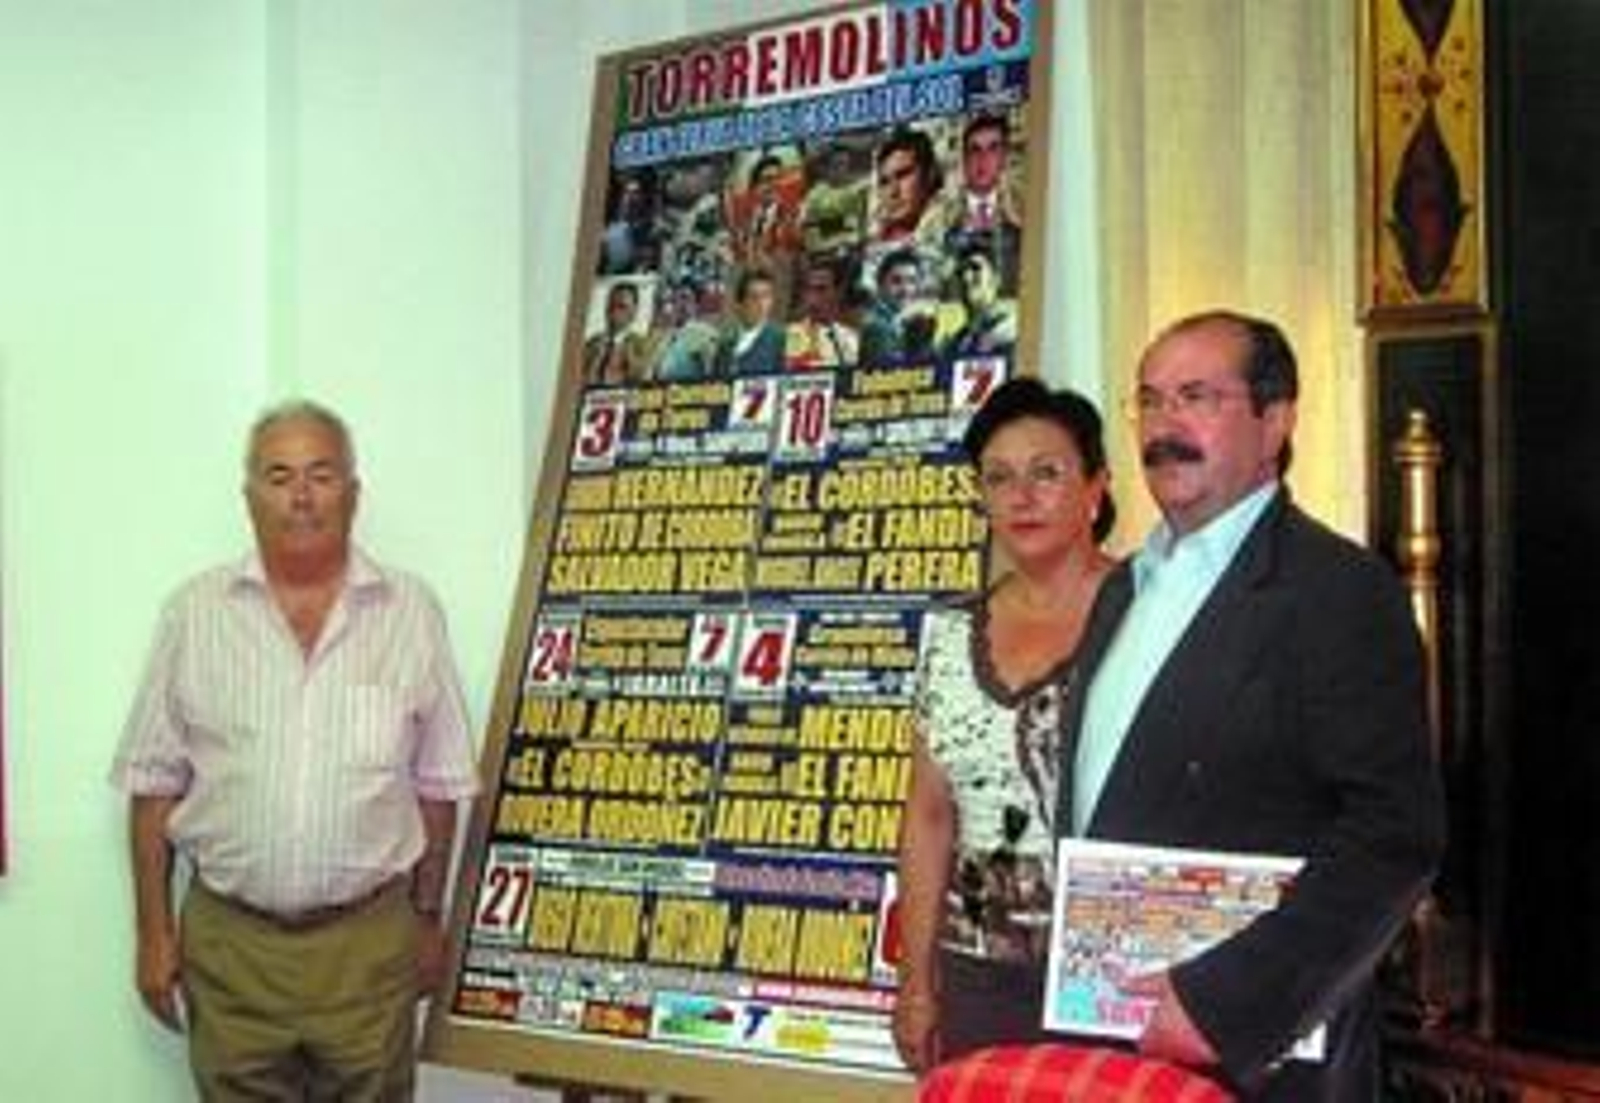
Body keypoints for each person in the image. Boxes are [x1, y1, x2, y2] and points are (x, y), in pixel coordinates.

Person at [1061, 310, 1446, 1100]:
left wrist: (1226, 1004)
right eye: (1149, 399)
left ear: (1275, 421)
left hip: (1257, 1056)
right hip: (1112, 1034)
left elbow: (1393, 834)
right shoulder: (1121, 589)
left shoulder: (1339, 591)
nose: (1164, 426)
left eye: (1196, 397)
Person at [111, 401, 480, 1100]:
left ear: (353, 493)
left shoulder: (412, 612)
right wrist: (152, 934)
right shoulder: (194, 613)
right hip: (232, 950)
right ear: (249, 495)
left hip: (368, 948)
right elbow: (152, 784)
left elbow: (439, 785)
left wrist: (429, 920)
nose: (302, 496)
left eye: (322, 474)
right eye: (279, 476)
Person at [894, 377, 1119, 1073]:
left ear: (1096, 487)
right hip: (978, 975)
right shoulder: (948, 634)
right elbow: (930, 815)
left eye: (1046, 473)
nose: (1021, 496)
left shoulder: (1150, 612)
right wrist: (916, 982)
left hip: (1119, 973)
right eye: (999, 478)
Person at [940, 112, 1024, 290]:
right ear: (964, 159)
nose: (982, 159)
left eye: (993, 149)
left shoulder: (1021, 215)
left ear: (1004, 158)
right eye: (975, 150)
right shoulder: (941, 220)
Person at [859, 248, 939, 367]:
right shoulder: (876, 326)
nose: (905, 289)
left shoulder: (911, 320)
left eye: (912, 281)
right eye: (896, 281)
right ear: (880, 284)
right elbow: (893, 370)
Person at [942, 240, 1017, 361]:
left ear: (996, 279)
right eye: (960, 272)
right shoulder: (954, 346)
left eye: (975, 268)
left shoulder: (1013, 331)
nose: (966, 277)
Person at [874, 126, 947, 248]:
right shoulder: (879, 243)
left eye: (902, 175)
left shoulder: (951, 229)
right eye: (885, 182)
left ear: (930, 175)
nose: (893, 192)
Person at [784, 255, 860, 369]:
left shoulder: (850, 340)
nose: (813, 299)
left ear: (837, 292)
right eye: (809, 289)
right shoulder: (788, 337)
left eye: (821, 289)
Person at [715, 266, 786, 376]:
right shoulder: (726, 344)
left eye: (766, 296)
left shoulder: (780, 339)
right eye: (754, 297)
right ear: (739, 304)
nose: (761, 304)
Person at [581, 281, 650, 385]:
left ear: (634, 312)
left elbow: (642, 380)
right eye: (611, 305)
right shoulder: (591, 344)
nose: (614, 312)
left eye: (622, 307)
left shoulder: (641, 346)